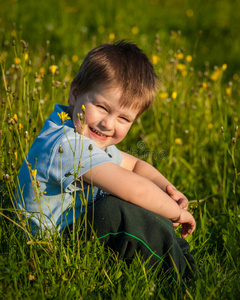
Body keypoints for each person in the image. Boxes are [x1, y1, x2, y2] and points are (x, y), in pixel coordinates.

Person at [16, 40, 196, 279]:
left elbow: (135, 165)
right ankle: (184, 277)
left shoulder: (82, 134)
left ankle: (173, 249)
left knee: (137, 203)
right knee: (117, 210)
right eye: (101, 106)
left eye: (124, 118)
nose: (108, 124)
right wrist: (177, 213)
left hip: (73, 232)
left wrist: (167, 189)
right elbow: (138, 190)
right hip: (50, 249)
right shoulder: (66, 144)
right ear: (75, 92)